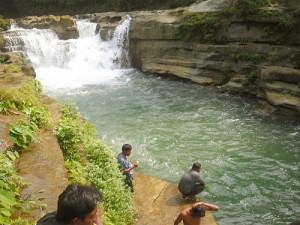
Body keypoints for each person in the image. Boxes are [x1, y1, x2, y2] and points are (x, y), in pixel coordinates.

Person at [36, 183, 103, 225]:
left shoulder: (64, 214)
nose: (95, 219)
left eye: (95, 214)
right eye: (91, 217)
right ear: (76, 221)